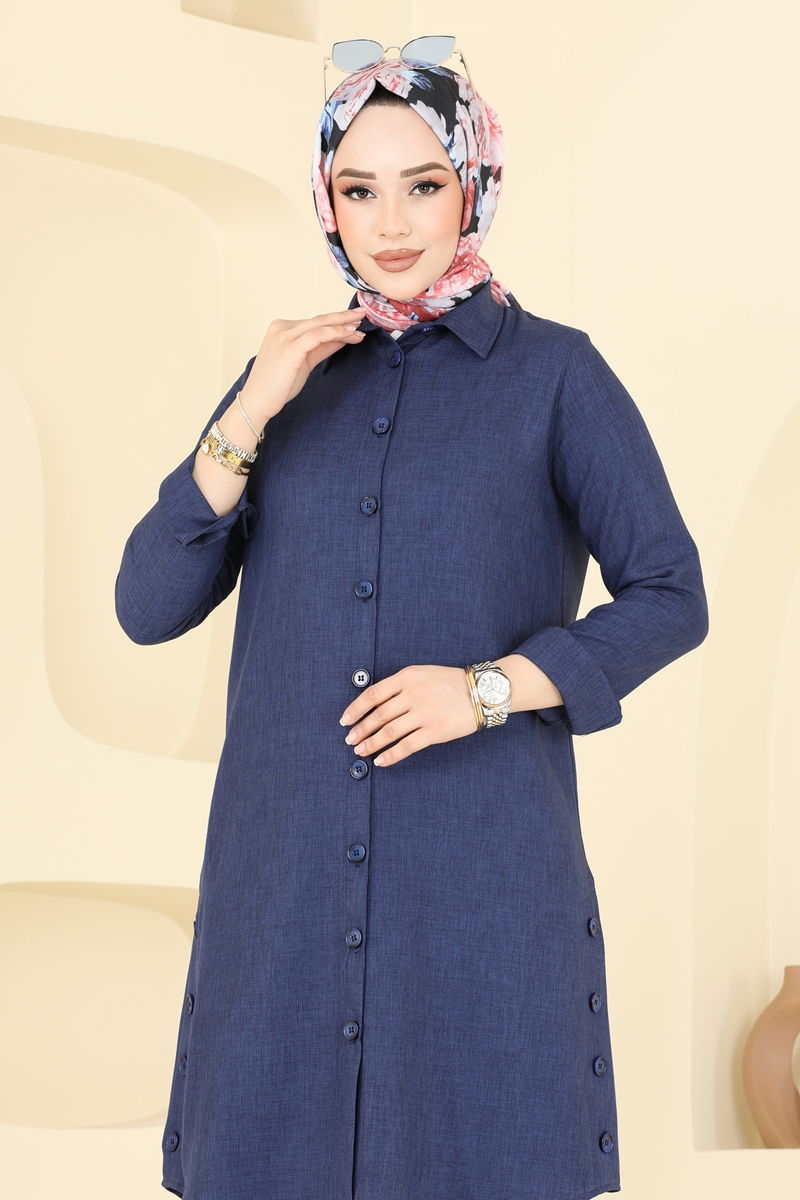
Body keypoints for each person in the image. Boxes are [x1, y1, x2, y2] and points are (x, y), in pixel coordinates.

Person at [115, 49, 709, 1200]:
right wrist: (250, 407)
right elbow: (148, 606)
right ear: (326, 200)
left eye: (423, 185)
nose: (389, 224)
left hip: (476, 878)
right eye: (359, 189)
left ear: (472, 183)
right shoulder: (284, 379)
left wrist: (488, 689)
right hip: (282, 887)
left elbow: (668, 591)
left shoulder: (554, 376)